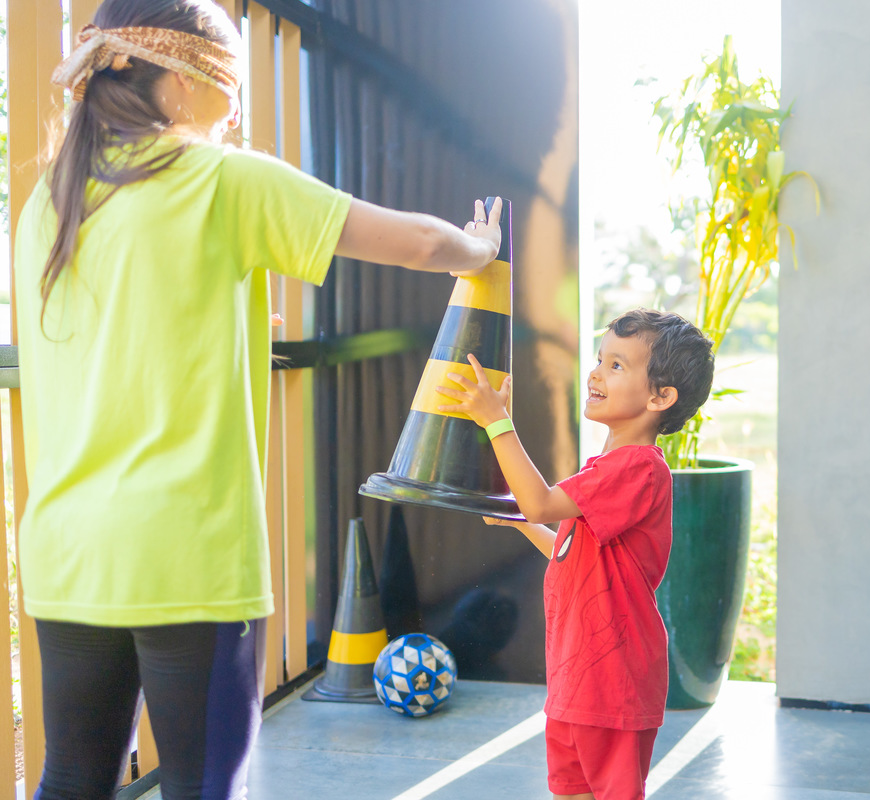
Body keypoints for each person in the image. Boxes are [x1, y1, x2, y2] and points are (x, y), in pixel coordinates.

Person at [13, 0, 504, 797]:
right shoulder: (219, 178)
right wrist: (479, 248)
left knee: (72, 777)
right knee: (208, 785)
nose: (235, 106)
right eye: (226, 82)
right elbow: (416, 242)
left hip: (69, 548)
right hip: (187, 552)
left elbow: (120, 325)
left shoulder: (51, 203)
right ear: (175, 81)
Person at [436, 308, 714, 800]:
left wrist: (497, 421)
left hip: (613, 682)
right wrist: (522, 523)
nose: (596, 372)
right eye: (599, 359)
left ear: (661, 397)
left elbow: (539, 498)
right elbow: (568, 551)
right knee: (571, 792)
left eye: (617, 366)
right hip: (576, 681)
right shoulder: (608, 467)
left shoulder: (637, 468)